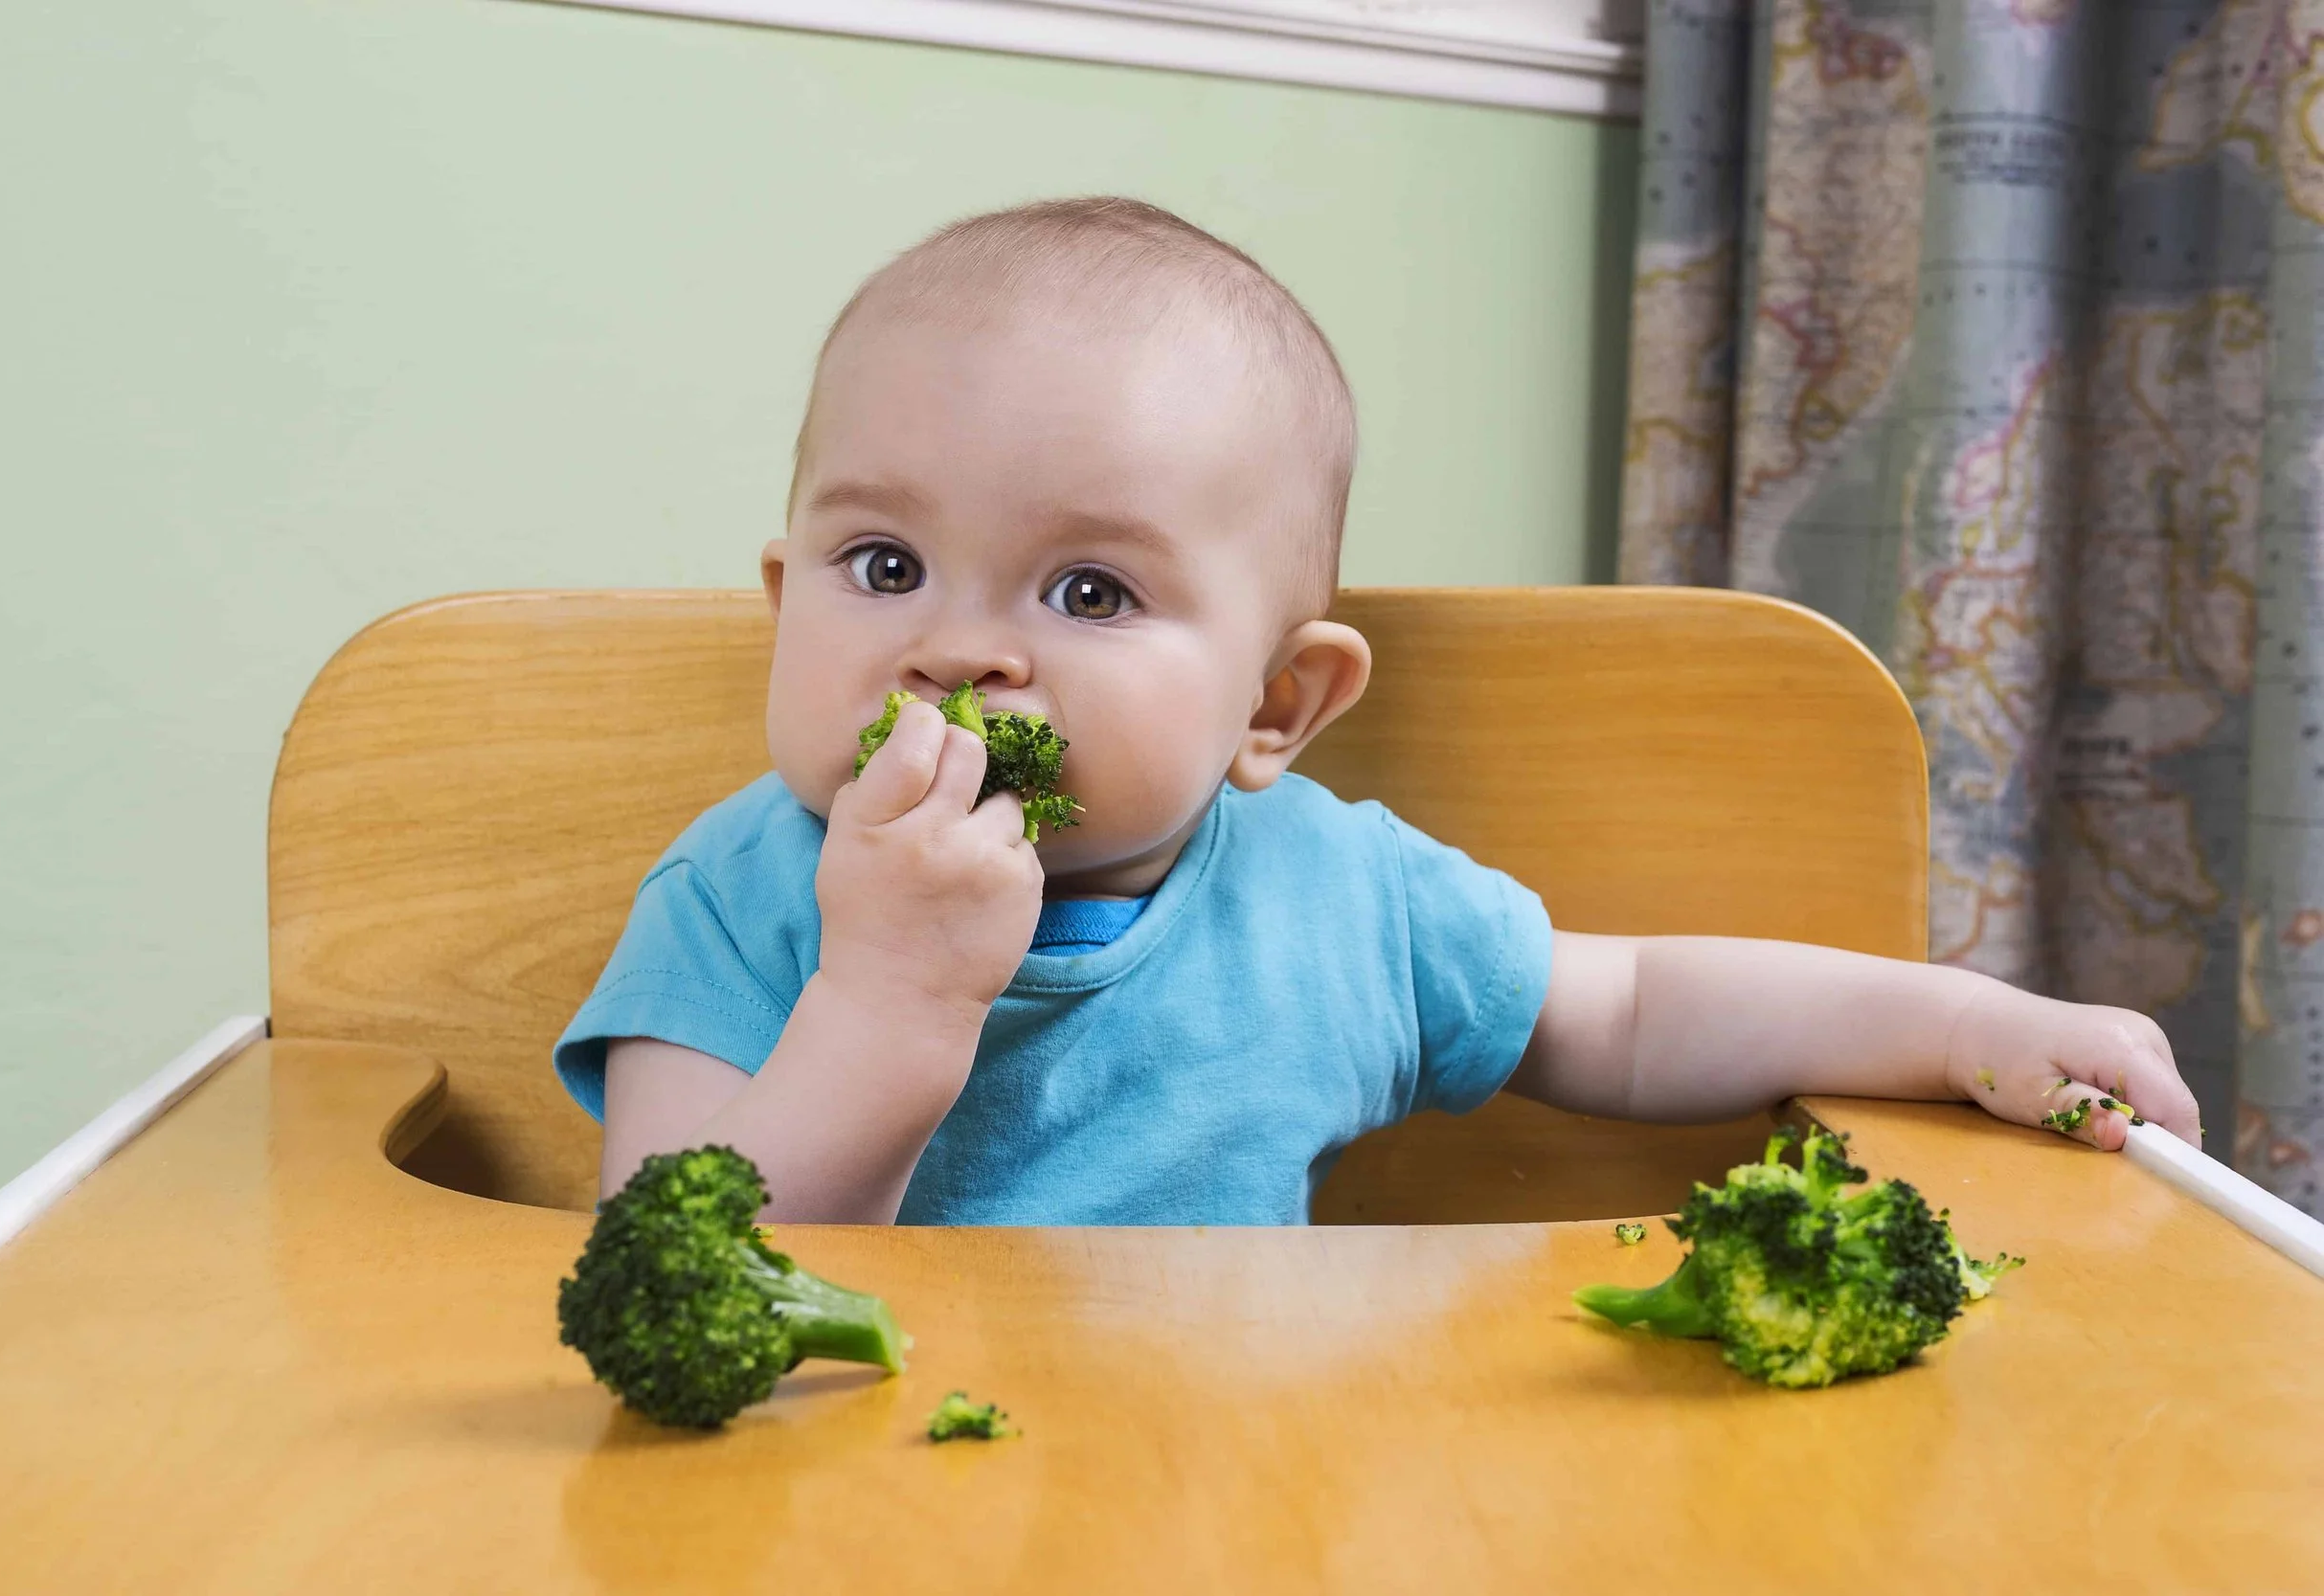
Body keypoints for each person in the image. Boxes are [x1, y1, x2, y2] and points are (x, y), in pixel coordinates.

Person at [554, 196, 2199, 1222]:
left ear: (1276, 705)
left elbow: (1625, 1013)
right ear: (785, 606)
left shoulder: (1334, 898)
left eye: (1090, 593)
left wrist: (1962, 1025)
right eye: (887, 560)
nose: (959, 652)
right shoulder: (744, 894)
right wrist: (889, 1002)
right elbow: (677, 1292)